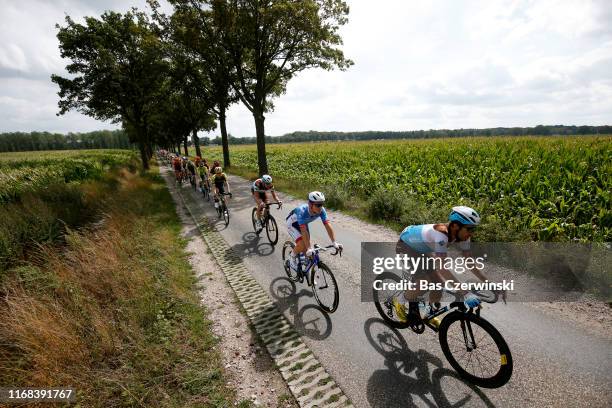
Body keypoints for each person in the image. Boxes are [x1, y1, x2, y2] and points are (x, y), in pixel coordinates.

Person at [393, 206, 483, 324]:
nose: (472, 233)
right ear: (456, 226)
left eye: (473, 230)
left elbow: (469, 261)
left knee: (438, 284)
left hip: (422, 248)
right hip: (406, 244)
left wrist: (488, 283)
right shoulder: (441, 235)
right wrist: (465, 292)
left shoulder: (463, 234)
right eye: (470, 229)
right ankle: (399, 301)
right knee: (425, 282)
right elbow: (442, 268)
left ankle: (430, 313)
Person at [285, 191, 342, 272]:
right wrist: (308, 248)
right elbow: (303, 231)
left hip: (303, 224)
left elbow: (327, 225)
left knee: (309, 252)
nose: (320, 207)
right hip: (292, 224)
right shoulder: (302, 211)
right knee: (302, 244)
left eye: (321, 204)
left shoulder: (321, 210)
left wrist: (334, 242)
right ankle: (292, 257)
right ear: (310, 204)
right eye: (318, 205)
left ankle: (304, 264)